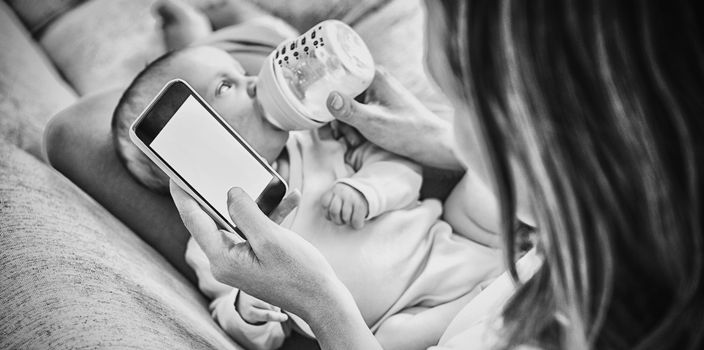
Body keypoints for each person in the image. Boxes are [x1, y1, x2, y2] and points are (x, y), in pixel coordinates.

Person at [170, 0, 704, 349]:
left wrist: (319, 300)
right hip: (409, 310)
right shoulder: (219, 231)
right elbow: (234, 311)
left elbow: (397, 173)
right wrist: (254, 303)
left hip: (446, 254)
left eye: (458, 99)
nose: (451, 132)